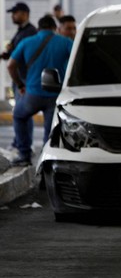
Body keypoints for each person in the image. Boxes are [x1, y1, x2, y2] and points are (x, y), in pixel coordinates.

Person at [7, 15, 73, 166]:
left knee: (19, 116)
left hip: (33, 95)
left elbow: (10, 65)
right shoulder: (66, 42)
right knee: (50, 131)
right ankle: (47, 164)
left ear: (38, 28)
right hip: (56, 95)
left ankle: (24, 155)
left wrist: (20, 84)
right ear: (55, 28)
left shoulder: (27, 42)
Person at [2, 2, 37, 150]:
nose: (12, 16)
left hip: (24, 77)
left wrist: (11, 52)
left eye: (15, 13)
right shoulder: (22, 31)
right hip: (19, 76)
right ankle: (20, 142)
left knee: (23, 113)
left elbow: (24, 54)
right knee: (21, 112)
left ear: (24, 14)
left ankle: (23, 145)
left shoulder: (29, 32)